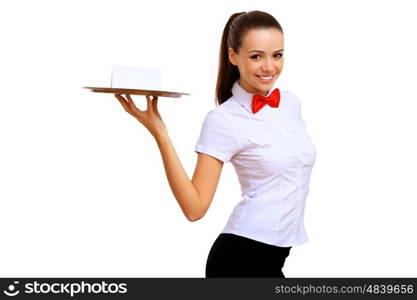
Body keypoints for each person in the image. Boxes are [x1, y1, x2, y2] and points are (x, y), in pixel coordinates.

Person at [114, 10, 316, 278]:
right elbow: (194, 207)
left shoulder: (290, 104)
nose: (269, 67)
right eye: (256, 56)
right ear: (233, 56)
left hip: (275, 258)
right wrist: (160, 133)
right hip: (241, 261)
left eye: (277, 55)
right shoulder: (223, 120)